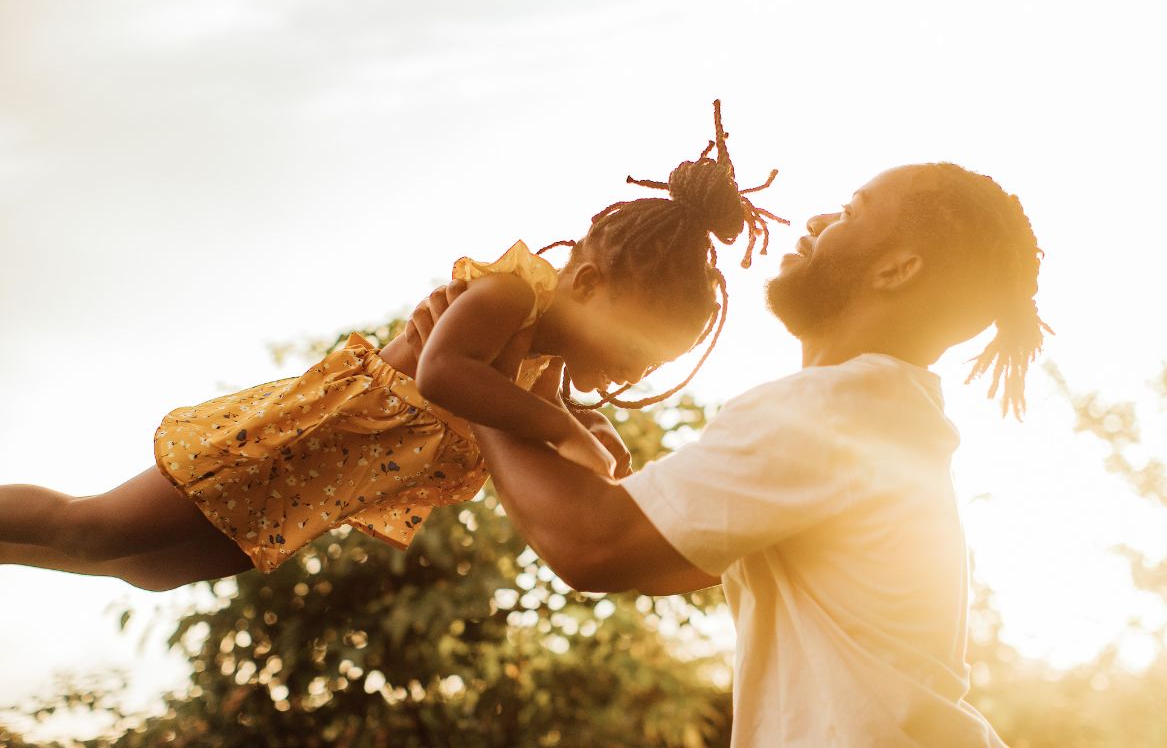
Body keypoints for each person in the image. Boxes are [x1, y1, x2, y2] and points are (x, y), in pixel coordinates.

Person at [0, 101, 785, 591]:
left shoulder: (540, 366)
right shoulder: (508, 293)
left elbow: (556, 432)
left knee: (151, 571)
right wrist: (565, 429)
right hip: (291, 443)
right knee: (94, 527)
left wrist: (589, 434)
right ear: (585, 284)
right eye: (635, 348)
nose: (634, 371)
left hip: (316, 494)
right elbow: (446, 374)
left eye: (651, 366)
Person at [425, 161, 1047, 746]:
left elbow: (593, 545)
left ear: (897, 270)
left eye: (851, 212)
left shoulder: (832, 410)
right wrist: (578, 449)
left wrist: (484, 382)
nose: (818, 221)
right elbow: (668, 557)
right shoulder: (882, 412)